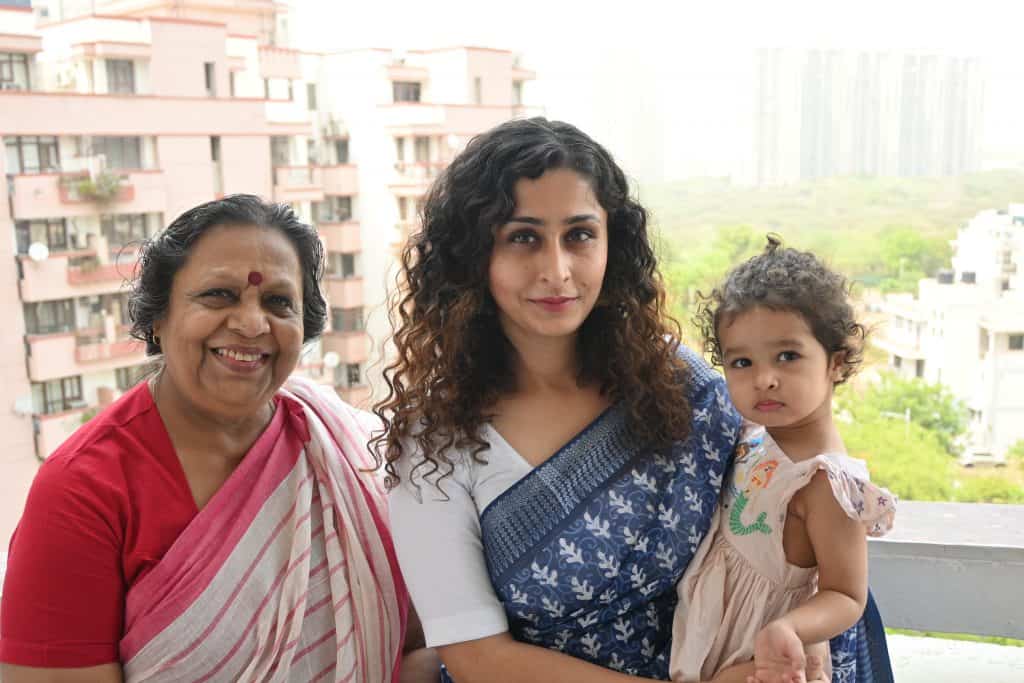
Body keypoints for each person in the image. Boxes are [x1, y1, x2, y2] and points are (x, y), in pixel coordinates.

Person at [377, 118, 886, 682]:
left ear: (611, 244)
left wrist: (797, 628)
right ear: (474, 257)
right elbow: (478, 659)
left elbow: (780, 503)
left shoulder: (678, 385)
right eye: (523, 237)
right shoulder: (435, 445)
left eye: (579, 235)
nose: (557, 270)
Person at [0, 195, 437, 682]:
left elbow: (413, 649)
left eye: (277, 302)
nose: (251, 324)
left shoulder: (348, 453)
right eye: (218, 295)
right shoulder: (84, 490)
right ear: (158, 317)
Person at [670, 237, 897, 683]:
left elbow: (846, 595)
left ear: (836, 362)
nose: (765, 379)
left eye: (787, 356)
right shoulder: (757, 437)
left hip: (768, 660)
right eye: (741, 362)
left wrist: (788, 629)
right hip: (713, 637)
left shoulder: (827, 483)